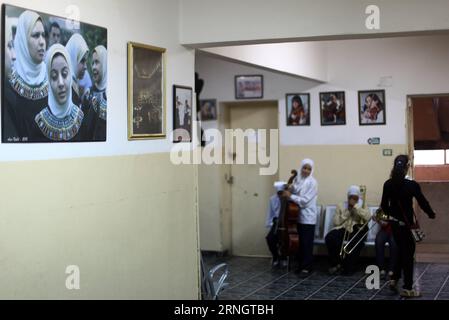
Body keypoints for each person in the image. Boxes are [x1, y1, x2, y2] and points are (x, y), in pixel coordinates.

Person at [381, 155, 436, 298]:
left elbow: (383, 207)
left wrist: (393, 216)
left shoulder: (387, 184)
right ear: (407, 167)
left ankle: (394, 279)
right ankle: (407, 288)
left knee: (400, 251)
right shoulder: (411, 185)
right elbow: (423, 202)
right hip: (407, 226)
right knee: (408, 255)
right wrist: (431, 214)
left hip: (394, 226)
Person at [4, 10, 48, 142]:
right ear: (23, 40)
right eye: (35, 35)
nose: (42, 42)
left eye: (43, 35)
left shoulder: (53, 78)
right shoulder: (8, 85)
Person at [33, 44, 86, 142]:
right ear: (48, 80)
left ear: (70, 75)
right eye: (54, 76)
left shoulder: (81, 119)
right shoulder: (39, 123)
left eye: (65, 74)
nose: (60, 83)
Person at [283, 159, 318, 274]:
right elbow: (295, 188)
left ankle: (307, 267)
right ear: (301, 167)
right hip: (298, 215)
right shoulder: (298, 180)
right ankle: (301, 265)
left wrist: (291, 196)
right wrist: (289, 187)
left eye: (309, 168)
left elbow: (305, 201)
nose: (306, 171)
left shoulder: (313, 182)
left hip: (308, 217)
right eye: (304, 168)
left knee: (306, 243)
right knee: (301, 243)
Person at [325, 186, 371, 275]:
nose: (352, 199)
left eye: (355, 198)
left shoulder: (363, 204)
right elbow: (336, 222)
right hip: (343, 228)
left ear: (358, 197)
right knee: (330, 238)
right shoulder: (341, 205)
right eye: (351, 197)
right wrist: (347, 212)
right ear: (348, 197)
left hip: (358, 229)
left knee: (354, 243)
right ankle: (338, 262)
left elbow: (368, 217)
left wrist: (357, 208)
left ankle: (348, 267)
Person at [86, 45, 107, 141]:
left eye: (97, 62)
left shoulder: (112, 95)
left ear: (105, 64)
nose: (93, 67)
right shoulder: (88, 93)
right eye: (92, 63)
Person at [65, 33, 90, 114]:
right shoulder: (65, 86)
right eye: (82, 61)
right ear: (73, 57)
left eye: (86, 61)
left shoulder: (74, 82)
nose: (85, 67)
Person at [265, 182, 287, 268]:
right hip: (277, 222)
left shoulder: (289, 198)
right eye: (279, 193)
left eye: (282, 193)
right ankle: (276, 256)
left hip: (286, 223)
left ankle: (284, 257)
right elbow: (270, 213)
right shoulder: (272, 199)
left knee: (286, 240)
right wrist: (270, 224)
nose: (280, 195)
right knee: (270, 238)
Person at [375, 216, 398, 280]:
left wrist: (390, 221)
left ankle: (392, 269)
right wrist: (378, 220)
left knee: (394, 244)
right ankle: (381, 269)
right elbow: (380, 217)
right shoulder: (384, 206)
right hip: (384, 230)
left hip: (396, 230)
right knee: (378, 241)